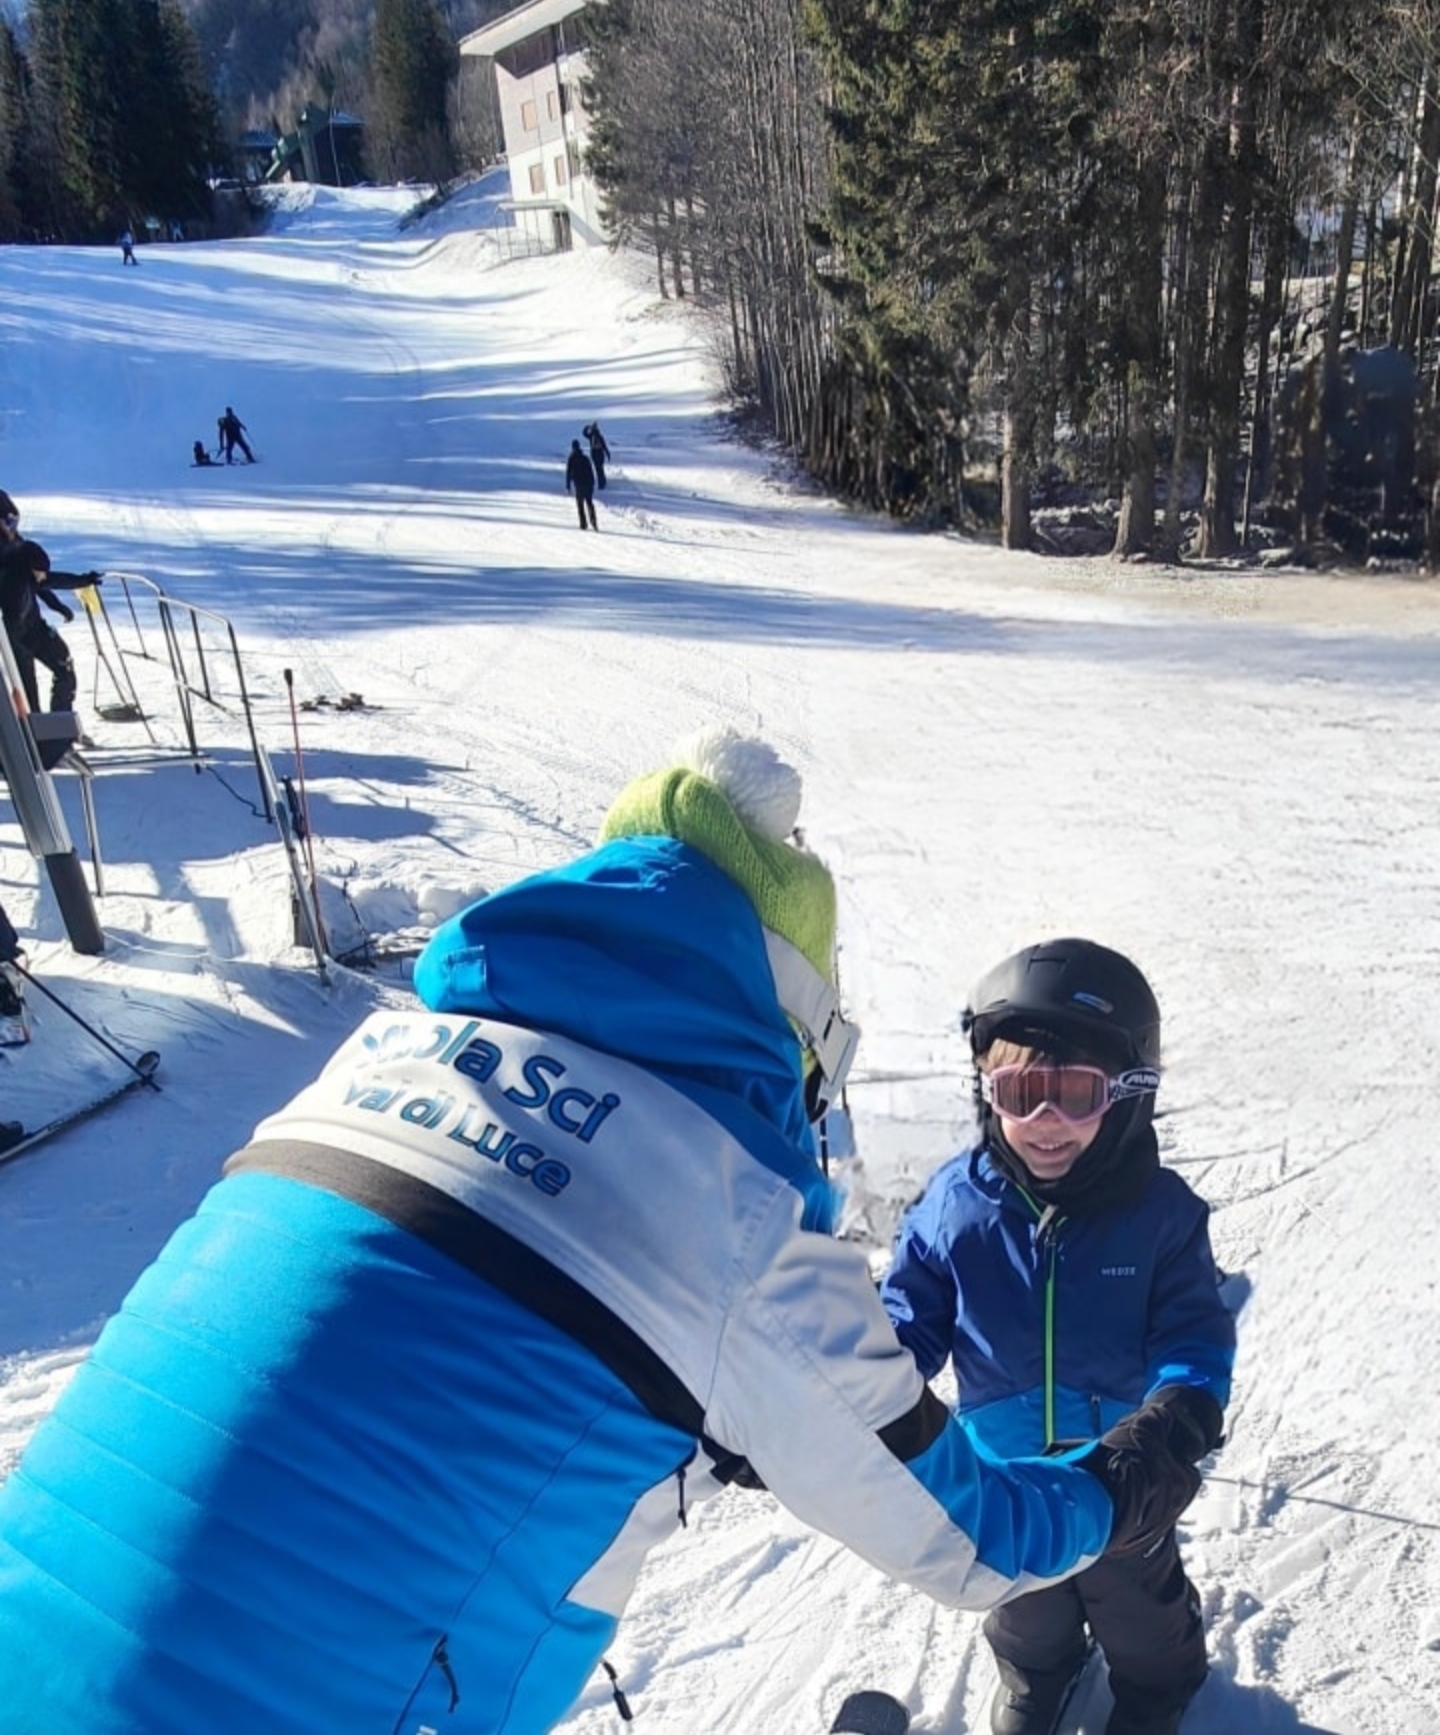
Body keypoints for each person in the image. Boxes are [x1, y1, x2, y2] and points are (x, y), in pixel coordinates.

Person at [0, 735, 1199, 1735]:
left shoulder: (364, 1058)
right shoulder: (732, 1216)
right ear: (795, 1018)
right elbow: (975, 1542)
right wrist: (1116, 1490)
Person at [881, 939, 1235, 1735]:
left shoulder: (1162, 1217)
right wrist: (869, 1373)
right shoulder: (953, 1208)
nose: (1044, 1123)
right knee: (1023, 1601)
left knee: (1138, 1603)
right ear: (987, 1093)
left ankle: (1157, 1685)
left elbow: (1194, 1335)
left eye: (1076, 1095)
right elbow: (910, 1316)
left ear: (1127, 1094)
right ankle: (1044, 1672)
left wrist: (1175, 1415)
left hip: (1121, 1474)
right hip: (1001, 1470)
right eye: (1020, 1091)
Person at [0, 490, 101, 716]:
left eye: (14, 520)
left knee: (63, 666)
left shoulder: (18, 545)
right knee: (27, 691)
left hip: (32, 623)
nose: (12, 527)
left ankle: (61, 728)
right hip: (11, 633)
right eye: (7, 521)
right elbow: (36, 578)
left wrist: (59, 603)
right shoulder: (8, 555)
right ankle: (37, 741)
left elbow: (39, 580)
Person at [566, 434, 599, 528]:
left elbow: (568, 472)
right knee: (589, 502)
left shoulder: (571, 458)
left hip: (579, 484)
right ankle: (593, 521)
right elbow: (591, 470)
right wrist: (593, 483)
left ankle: (583, 524)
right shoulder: (585, 458)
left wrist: (568, 485)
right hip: (588, 483)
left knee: (580, 505)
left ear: (573, 448)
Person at [583, 419, 612, 488]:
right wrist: (607, 454)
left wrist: (587, 427)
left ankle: (601, 484)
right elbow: (604, 446)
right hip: (600, 454)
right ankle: (603, 482)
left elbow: (584, 433)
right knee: (600, 469)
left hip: (595, 454)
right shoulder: (600, 436)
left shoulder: (591, 436)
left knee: (598, 469)